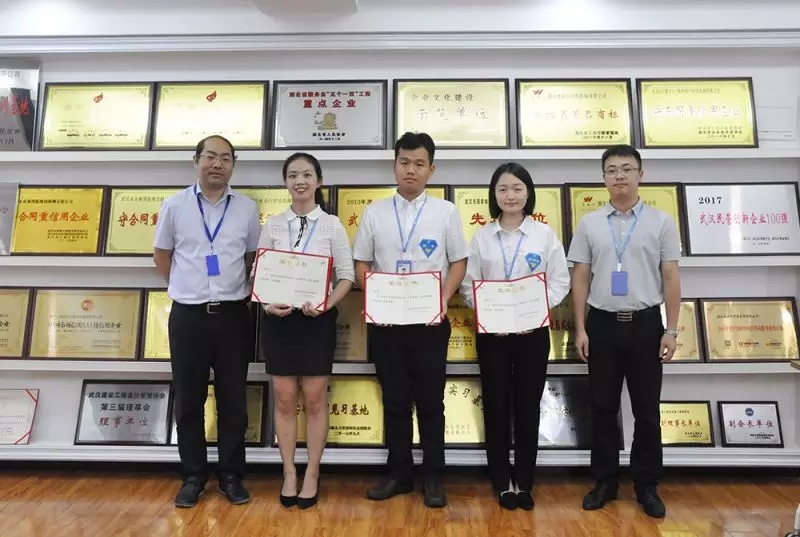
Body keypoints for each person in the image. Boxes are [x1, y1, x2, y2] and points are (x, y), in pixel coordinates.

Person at [353, 132, 469, 508]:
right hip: (386, 324)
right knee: (395, 401)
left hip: (429, 324)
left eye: (419, 164)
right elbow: (361, 263)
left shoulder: (445, 212)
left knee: (431, 401)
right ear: (394, 166)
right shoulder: (375, 212)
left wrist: (442, 298)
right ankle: (399, 473)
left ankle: (433, 476)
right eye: (404, 162)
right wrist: (375, 298)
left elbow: (459, 262)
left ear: (431, 169)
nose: (411, 170)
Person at [567, 144, 681, 519]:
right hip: (601, 325)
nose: (619, 175)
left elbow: (670, 276)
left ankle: (646, 485)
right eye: (612, 170)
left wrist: (672, 330)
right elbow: (580, 277)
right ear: (603, 178)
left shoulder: (661, 221)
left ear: (640, 175)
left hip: (646, 325)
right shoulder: (589, 224)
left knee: (647, 410)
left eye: (627, 168)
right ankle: (605, 481)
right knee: (602, 408)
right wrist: (580, 328)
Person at [153, 135, 261, 508]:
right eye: (210, 157)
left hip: (232, 316)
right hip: (189, 316)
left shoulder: (246, 208)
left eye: (225, 158)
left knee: (233, 400)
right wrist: (187, 287)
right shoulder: (175, 205)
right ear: (196, 160)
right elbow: (162, 254)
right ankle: (193, 476)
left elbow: (251, 258)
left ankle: (231, 475)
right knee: (189, 400)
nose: (217, 164)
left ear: (233, 165)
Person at [459, 162, 570, 511]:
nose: (510, 195)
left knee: (527, 406)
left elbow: (560, 281)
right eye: (503, 189)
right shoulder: (481, 238)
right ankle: (501, 481)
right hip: (493, 335)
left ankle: (524, 480)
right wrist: (492, 313)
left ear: (528, 193)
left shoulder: (544, 236)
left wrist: (535, 310)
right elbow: (468, 286)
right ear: (494, 195)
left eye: (517, 188)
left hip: (532, 334)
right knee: (495, 405)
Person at [256, 152, 354, 509]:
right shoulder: (273, 225)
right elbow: (260, 273)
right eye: (293, 175)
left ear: (318, 181)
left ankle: (312, 471)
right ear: (285, 182)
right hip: (280, 321)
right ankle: (288, 472)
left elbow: (347, 276)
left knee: (314, 399)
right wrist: (266, 304)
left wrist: (327, 304)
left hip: (316, 322)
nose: (300, 181)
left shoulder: (331, 225)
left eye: (307, 174)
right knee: (284, 398)